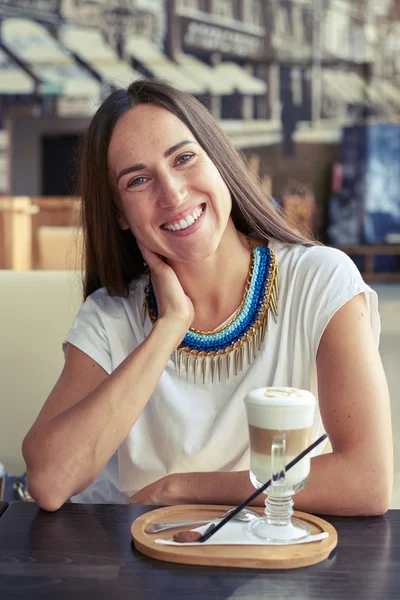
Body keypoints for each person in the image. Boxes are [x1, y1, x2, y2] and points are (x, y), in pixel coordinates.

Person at [22, 79, 392, 514]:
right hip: (139, 564)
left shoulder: (320, 280)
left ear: (219, 162)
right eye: (138, 180)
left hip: (275, 559)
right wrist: (169, 327)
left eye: (184, 158)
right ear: (119, 213)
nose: (173, 194)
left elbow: (366, 480)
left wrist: (182, 489)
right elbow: (49, 481)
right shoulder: (110, 313)